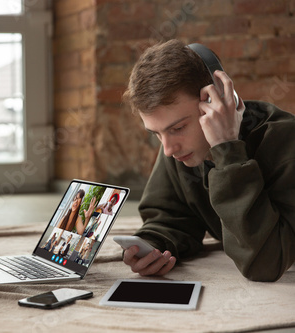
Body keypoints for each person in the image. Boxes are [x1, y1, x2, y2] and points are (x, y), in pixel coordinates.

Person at [121, 39, 295, 282]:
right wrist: (154, 246)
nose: (168, 149)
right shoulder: (182, 147)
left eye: (178, 127)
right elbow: (171, 217)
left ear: (221, 100)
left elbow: (265, 263)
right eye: (156, 134)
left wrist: (227, 150)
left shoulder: (285, 140)